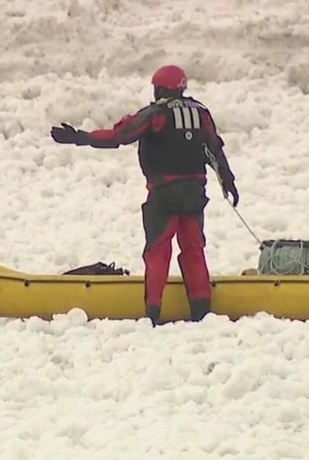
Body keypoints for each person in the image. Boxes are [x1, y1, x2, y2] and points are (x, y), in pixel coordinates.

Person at [49, 65, 240, 326]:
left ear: (161, 88)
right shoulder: (201, 113)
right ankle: (201, 310)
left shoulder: (155, 115)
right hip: (194, 193)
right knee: (193, 250)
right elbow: (214, 148)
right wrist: (227, 180)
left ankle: (153, 312)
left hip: (163, 196)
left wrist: (79, 137)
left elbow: (119, 136)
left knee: (157, 252)